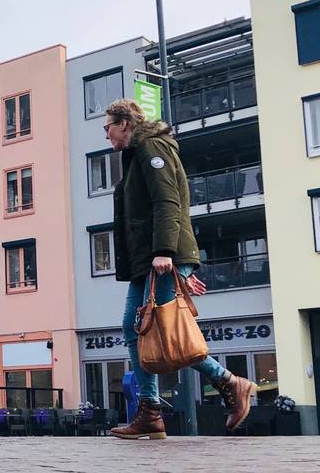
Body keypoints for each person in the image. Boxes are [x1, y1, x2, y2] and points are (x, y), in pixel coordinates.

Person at [103, 99, 256, 440]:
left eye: (108, 126)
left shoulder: (151, 147)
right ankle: (151, 412)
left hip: (159, 256)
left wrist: (165, 251)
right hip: (147, 261)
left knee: (168, 332)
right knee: (134, 326)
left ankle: (228, 384)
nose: (107, 134)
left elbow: (167, 201)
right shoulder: (135, 154)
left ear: (124, 123)